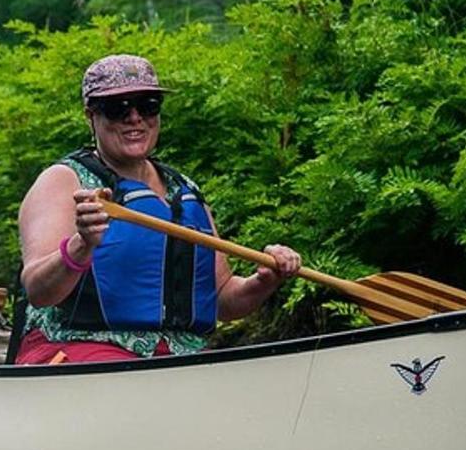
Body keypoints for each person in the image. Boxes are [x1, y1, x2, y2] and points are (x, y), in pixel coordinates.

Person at [15, 54, 301, 364]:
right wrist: (81, 245)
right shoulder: (63, 181)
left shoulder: (183, 188)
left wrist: (265, 280)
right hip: (80, 349)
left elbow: (223, 300)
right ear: (91, 115)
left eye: (148, 105)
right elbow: (38, 290)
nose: (135, 117)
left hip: (179, 358)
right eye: (117, 107)